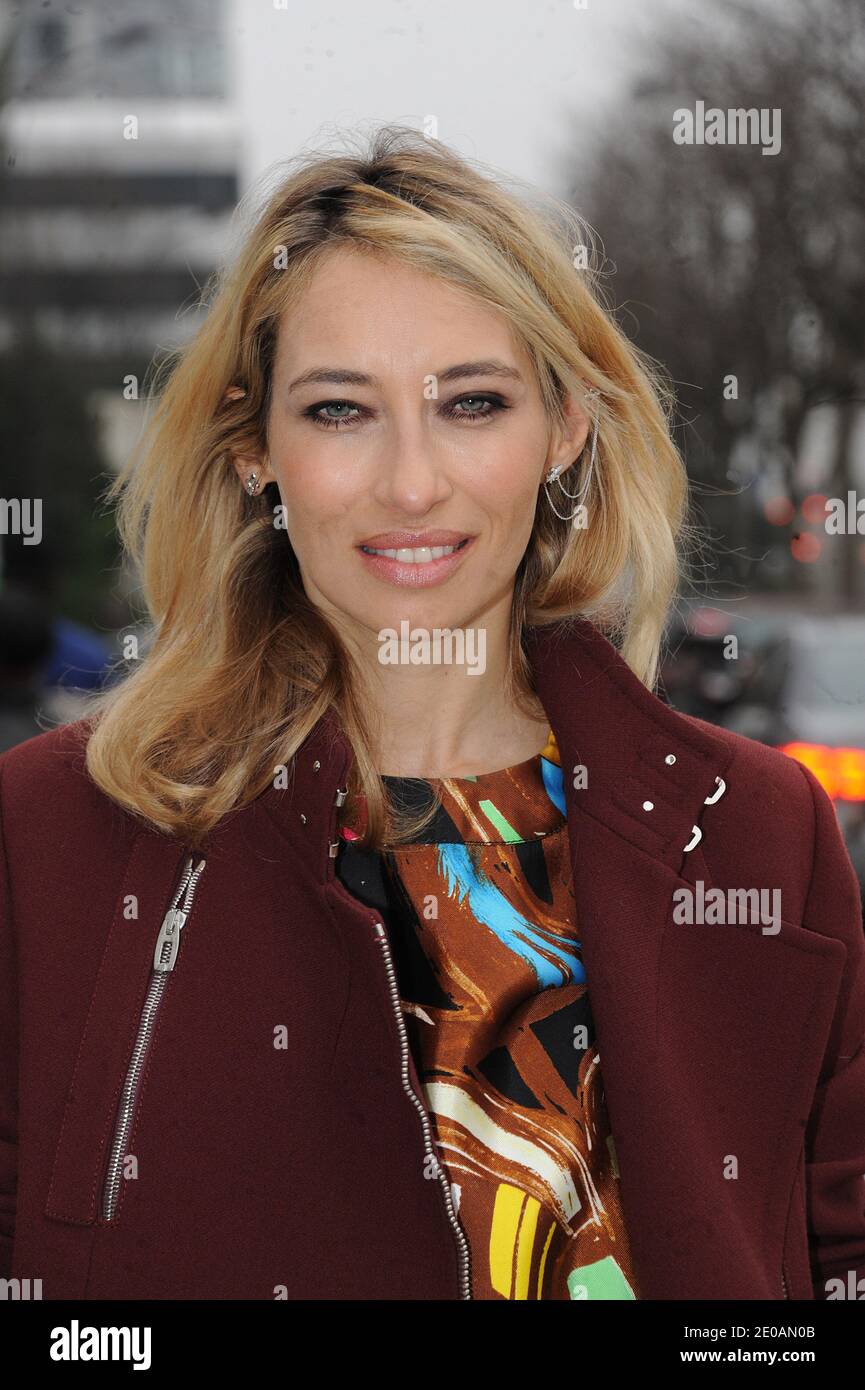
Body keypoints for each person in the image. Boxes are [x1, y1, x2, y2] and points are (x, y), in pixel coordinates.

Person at [0, 124, 862, 1302]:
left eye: (470, 402)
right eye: (340, 411)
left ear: (563, 429)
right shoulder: (51, 831)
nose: (411, 482)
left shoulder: (761, 832)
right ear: (256, 449)